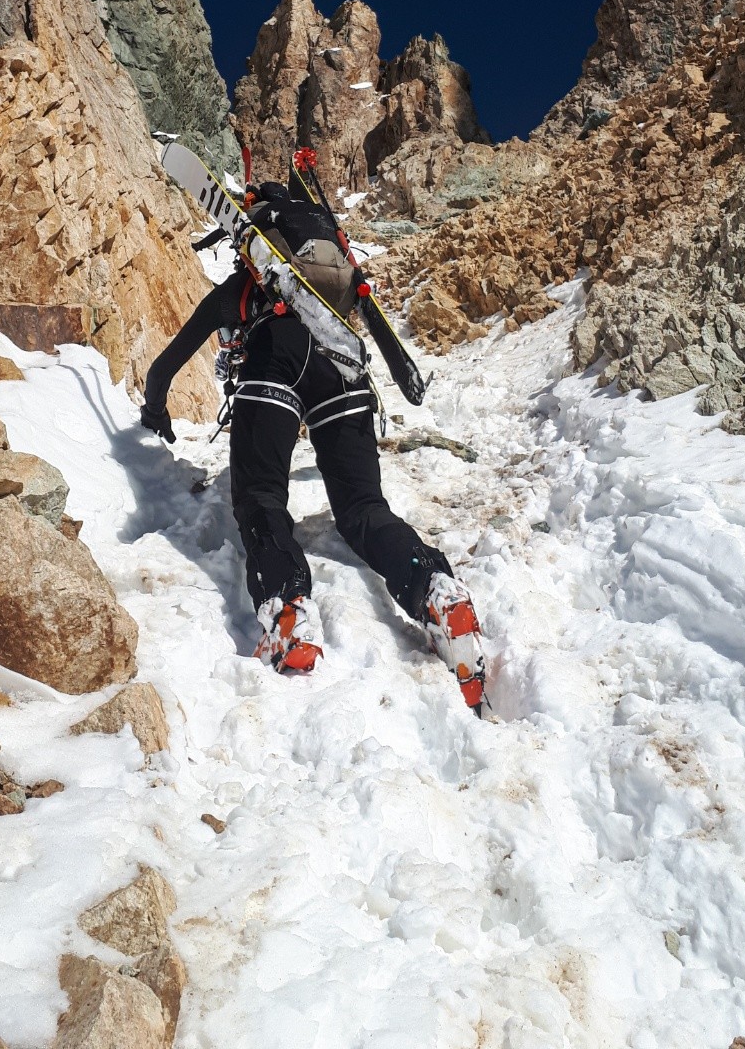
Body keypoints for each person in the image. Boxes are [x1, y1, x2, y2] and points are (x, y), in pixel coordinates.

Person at [140, 181, 486, 711]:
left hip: (277, 352)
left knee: (260, 498)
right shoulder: (337, 283)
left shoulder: (247, 285)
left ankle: (288, 609)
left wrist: (155, 407)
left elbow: (170, 359)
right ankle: (437, 589)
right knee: (364, 509)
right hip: (343, 365)